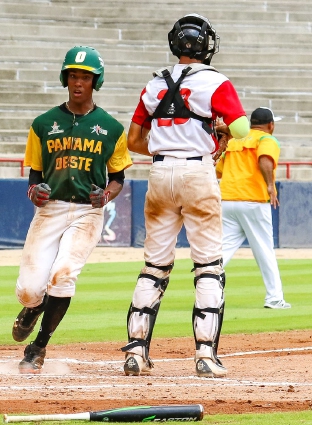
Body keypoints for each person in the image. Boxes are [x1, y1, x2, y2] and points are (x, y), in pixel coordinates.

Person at [122, 14, 249, 378]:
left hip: (160, 172)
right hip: (197, 171)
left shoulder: (152, 85)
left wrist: (168, 147)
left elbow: (133, 141)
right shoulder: (217, 82)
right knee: (208, 266)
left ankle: (135, 351)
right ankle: (205, 356)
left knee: (154, 267)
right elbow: (240, 128)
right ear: (206, 45)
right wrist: (218, 129)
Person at [12, 45, 133, 374]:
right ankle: (32, 308)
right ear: (65, 79)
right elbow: (35, 175)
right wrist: (34, 192)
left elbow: (119, 178)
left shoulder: (111, 127)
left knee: (63, 276)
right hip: (50, 210)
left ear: (96, 82)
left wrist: (106, 196)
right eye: (73, 76)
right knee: (27, 291)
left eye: (85, 77)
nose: (78, 82)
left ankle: (38, 347)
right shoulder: (43, 124)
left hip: (86, 213)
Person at [215, 107, 290, 309]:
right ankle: (274, 298)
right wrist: (269, 186)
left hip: (228, 199)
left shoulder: (235, 141)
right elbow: (264, 159)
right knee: (264, 250)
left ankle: (208, 289)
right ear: (270, 125)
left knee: (222, 249)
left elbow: (219, 170)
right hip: (254, 201)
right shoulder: (266, 140)